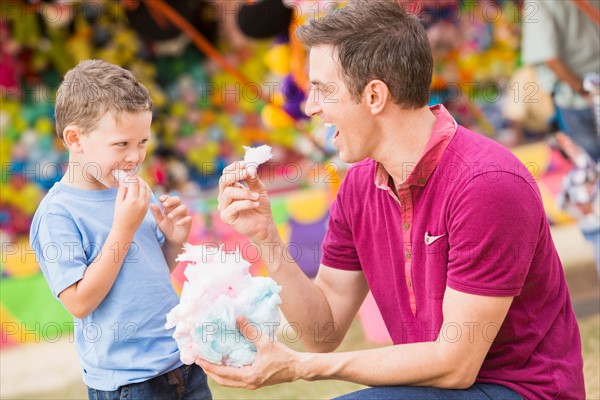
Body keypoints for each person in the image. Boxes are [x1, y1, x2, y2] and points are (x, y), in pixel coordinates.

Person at [204, 1, 585, 399]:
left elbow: (456, 364)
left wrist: (304, 368)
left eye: (321, 89)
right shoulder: (359, 186)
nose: (310, 105)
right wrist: (265, 236)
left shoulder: (486, 183)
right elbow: (322, 332)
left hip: (521, 391)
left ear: (374, 96)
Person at [29, 60, 211, 400]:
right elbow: (80, 302)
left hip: (180, 361)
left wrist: (173, 241)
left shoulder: (133, 190)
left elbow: (151, 272)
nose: (135, 157)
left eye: (142, 142)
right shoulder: (58, 214)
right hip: (128, 382)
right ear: (75, 139)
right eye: (121, 144)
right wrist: (123, 228)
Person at [521, 0, 600, 162]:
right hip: (585, 95)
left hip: (579, 100)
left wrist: (582, 90)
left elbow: (550, 58)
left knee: (592, 166)